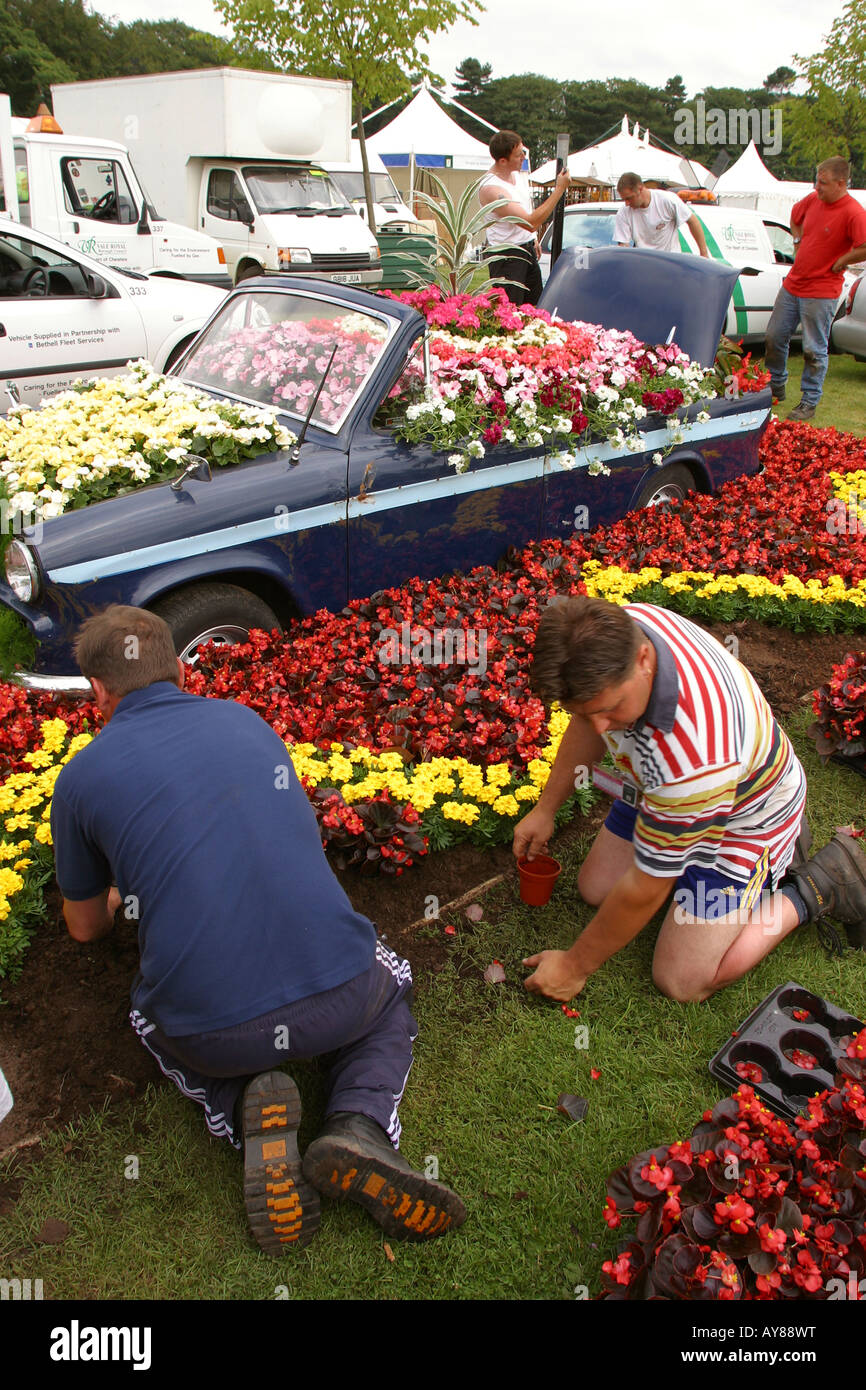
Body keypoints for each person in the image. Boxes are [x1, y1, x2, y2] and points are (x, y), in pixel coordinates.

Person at [50, 606, 466, 1255]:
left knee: (146, 1014)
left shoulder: (79, 780)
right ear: (180, 668)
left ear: (97, 691)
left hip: (212, 1032)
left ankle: (245, 1105)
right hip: (343, 994)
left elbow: (84, 928)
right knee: (391, 992)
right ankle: (357, 1123)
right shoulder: (247, 721)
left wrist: (115, 890)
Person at [512, 597, 866, 1004]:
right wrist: (546, 808)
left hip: (744, 817)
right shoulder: (618, 630)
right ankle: (684, 853)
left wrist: (573, 967)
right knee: (596, 889)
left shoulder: (695, 760)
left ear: (644, 659)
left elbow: (646, 889)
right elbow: (590, 719)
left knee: (682, 979)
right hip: (663, 789)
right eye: (586, 712)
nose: (601, 728)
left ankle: (813, 887)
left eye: (609, 710)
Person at [765, 156, 866, 422]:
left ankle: (809, 401)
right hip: (794, 283)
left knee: (813, 348)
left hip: (822, 289)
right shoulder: (813, 200)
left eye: (822, 183)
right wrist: (797, 241)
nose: (816, 187)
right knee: (775, 336)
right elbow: (795, 217)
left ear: (841, 183)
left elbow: (864, 245)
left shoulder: (854, 212)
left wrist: (842, 261)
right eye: (816, 181)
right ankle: (774, 385)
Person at [478, 129, 571, 306]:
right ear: (503, 161)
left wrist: (533, 239)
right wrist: (559, 189)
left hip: (526, 250)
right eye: (518, 154)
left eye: (523, 151)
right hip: (507, 257)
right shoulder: (491, 188)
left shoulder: (517, 175)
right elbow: (530, 222)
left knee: (534, 310)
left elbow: (526, 209)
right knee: (510, 315)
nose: (523, 157)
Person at [613, 173, 710, 257]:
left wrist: (704, 254)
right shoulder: (623, 213)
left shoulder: (667, 200)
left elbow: (693, 221)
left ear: (640, 189)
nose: (626, 203)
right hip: (643, 266)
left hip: (670, 263)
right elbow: (623, 246)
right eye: (624, 199)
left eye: (629, 198)